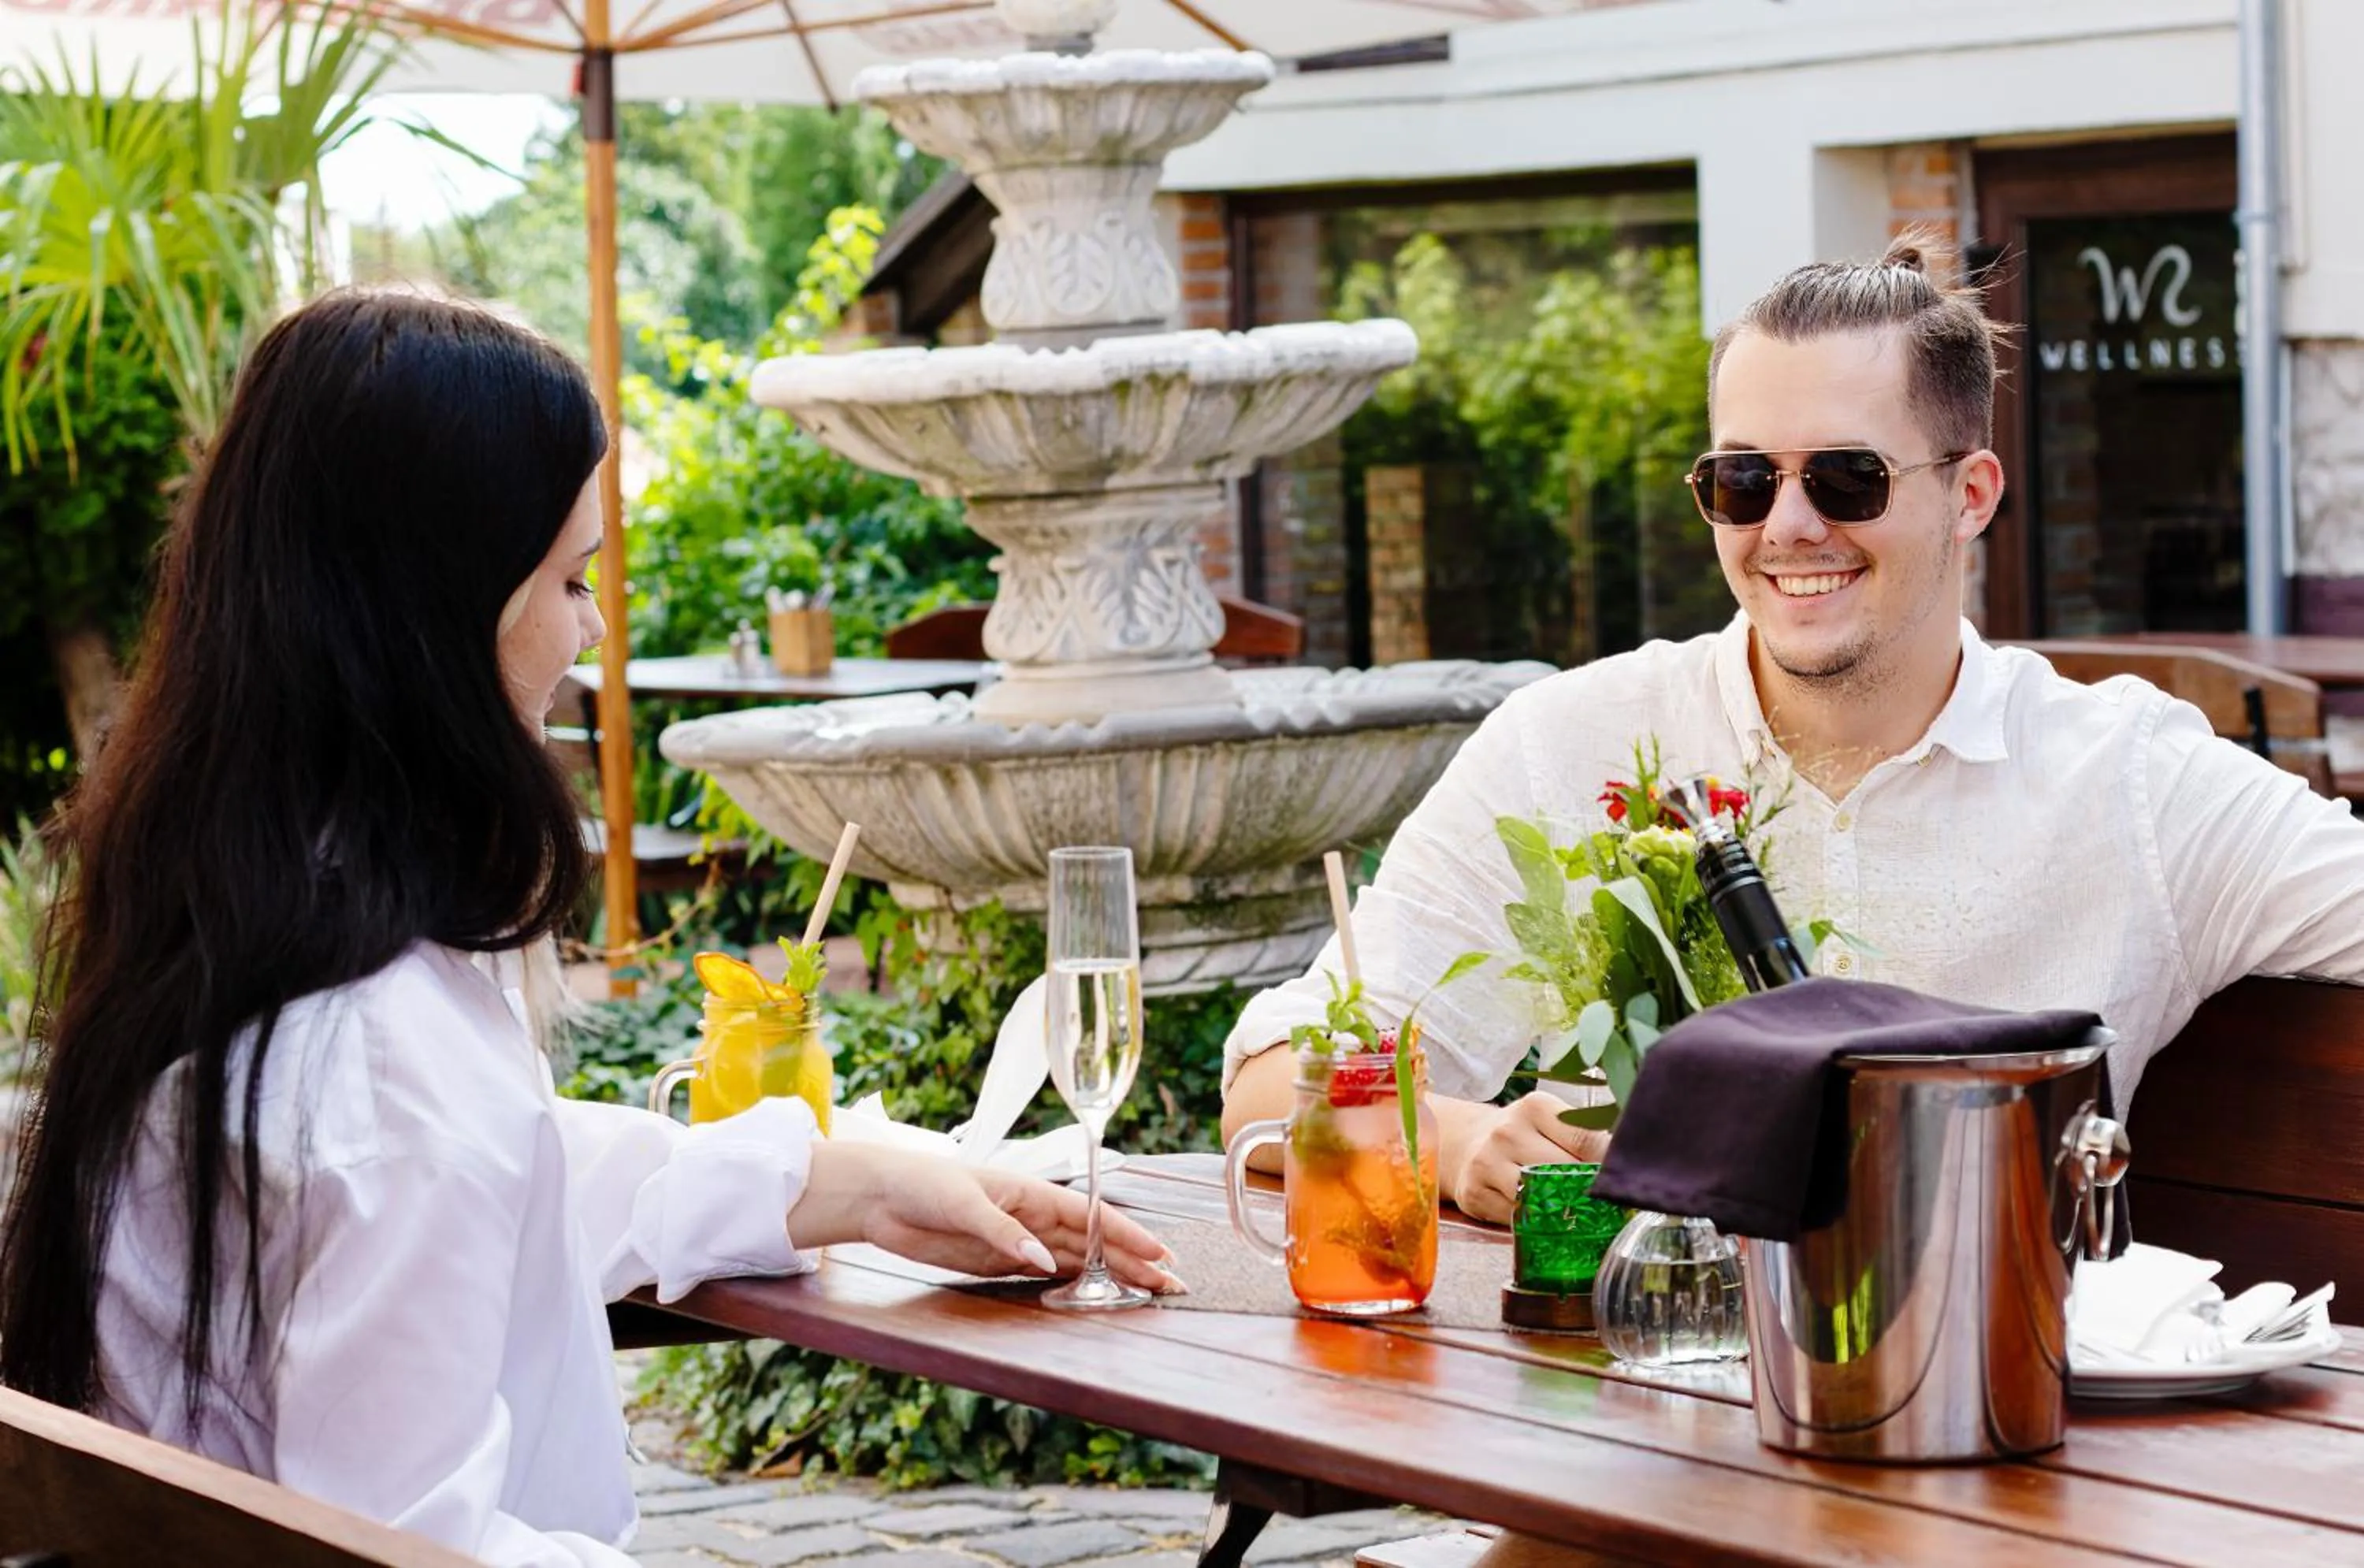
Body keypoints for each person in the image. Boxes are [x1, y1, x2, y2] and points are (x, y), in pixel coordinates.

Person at [0, 289, 1177, 1566]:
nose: (592, 630)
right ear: (435, 613)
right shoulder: (386, 1059)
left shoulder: (245, 930)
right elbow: (404, 1544)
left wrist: (846, 1183)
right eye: (570, 579)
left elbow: (501, 1169)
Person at [1221, 228, 2364, 1225]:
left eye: (1848, 478)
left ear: (1972, 494)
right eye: (1742, 481)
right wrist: (1460, 1140)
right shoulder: (1575, 741)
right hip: (1640, 1418)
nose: (1790, 525)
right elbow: (1270, 1085)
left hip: (1984, 1416)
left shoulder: (2128, 777)